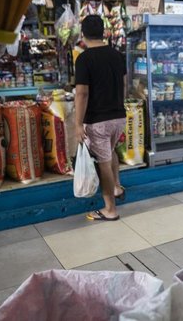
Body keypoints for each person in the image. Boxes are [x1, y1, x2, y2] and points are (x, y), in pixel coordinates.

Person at [75, 15, 127, 221]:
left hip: (97, 121)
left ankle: (110, 209)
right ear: (104, 32)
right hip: (118, 117)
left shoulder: (84, 59)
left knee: (103, 162)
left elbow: (82, 93)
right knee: (110, 151)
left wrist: (78, 124)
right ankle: (115, 187)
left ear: (83, 34)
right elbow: (124, 84)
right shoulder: (117, 55)